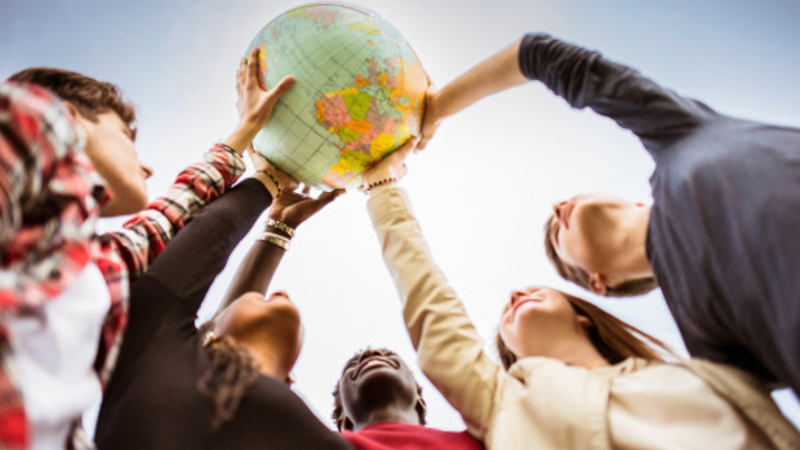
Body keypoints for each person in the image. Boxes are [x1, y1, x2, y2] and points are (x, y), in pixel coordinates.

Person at [417, 33, 800, 395]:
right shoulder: (709, 347)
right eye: (556, 235)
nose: (558, 208)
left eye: (570, 200)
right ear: (599, 283)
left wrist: (435, 110)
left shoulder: (677, 134)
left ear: (635, 201)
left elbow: (536, 54)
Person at [360, 138, 800, 450]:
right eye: (505, 321)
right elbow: (431, 304)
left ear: (585, 314)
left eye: (534, 291)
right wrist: (383, 189)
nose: (515, 295)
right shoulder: (503, 403)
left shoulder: (708, 372)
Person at [0, 46, 293, 448]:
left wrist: (264, 168)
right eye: (125, 135)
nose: (147, 167)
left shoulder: (98, 271)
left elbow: (168, 218)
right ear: (67, 121)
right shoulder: (19, 126)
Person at [93, 151, 347, 449]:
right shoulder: (147, 349)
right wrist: (271, 189)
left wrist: (272, 183)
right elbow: (208, 238)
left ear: (288, 381)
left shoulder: (154, 349)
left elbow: (208, 239)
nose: (280, 293)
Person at [332, 347, 484, 450]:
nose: (370, 353)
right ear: (343, 421)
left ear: (420, 401)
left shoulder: (487, 440)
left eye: (390, 355)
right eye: (351, 366)